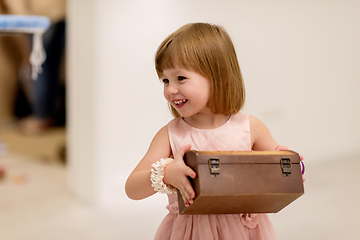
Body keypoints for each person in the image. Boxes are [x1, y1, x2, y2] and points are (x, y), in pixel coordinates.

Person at [125, 22, 304, 240]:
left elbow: (283, 172)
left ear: (219, 77)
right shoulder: (170, 134)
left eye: (180, 78)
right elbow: (131, 188)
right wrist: (167, 173)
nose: (170, 90)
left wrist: (289, 168)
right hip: (189, 233)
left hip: (242, 231)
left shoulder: (250, 128)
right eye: (165, 80)